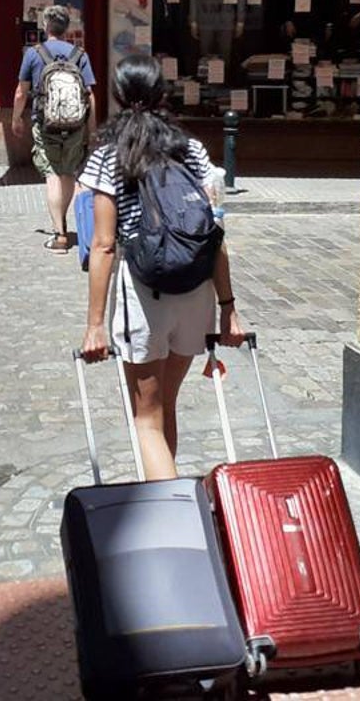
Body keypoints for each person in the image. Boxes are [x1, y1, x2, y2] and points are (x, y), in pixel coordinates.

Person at [79, 55, 246, 480]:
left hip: (146, 293)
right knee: (165, 405)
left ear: (117, 96)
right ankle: (168, 492)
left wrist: (95, 324)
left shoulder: (109, 156)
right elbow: (216, 229)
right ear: (162, 95)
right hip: (196, 292)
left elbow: (102, 245)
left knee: (145, 418)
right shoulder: (191, 150)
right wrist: (228, 307)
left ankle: (172, 520)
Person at [11, 5, 97, 253]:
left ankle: (59, 233)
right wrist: (91, 128)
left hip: (45, 122)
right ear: (67, 28)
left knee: (52, 175)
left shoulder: (34, 54)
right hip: (75, 124)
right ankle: (62, 220)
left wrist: (16, 118)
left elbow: (21, 92)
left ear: (46, 26)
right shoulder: (80, 55)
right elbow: (90, 95)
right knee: (68, 172)